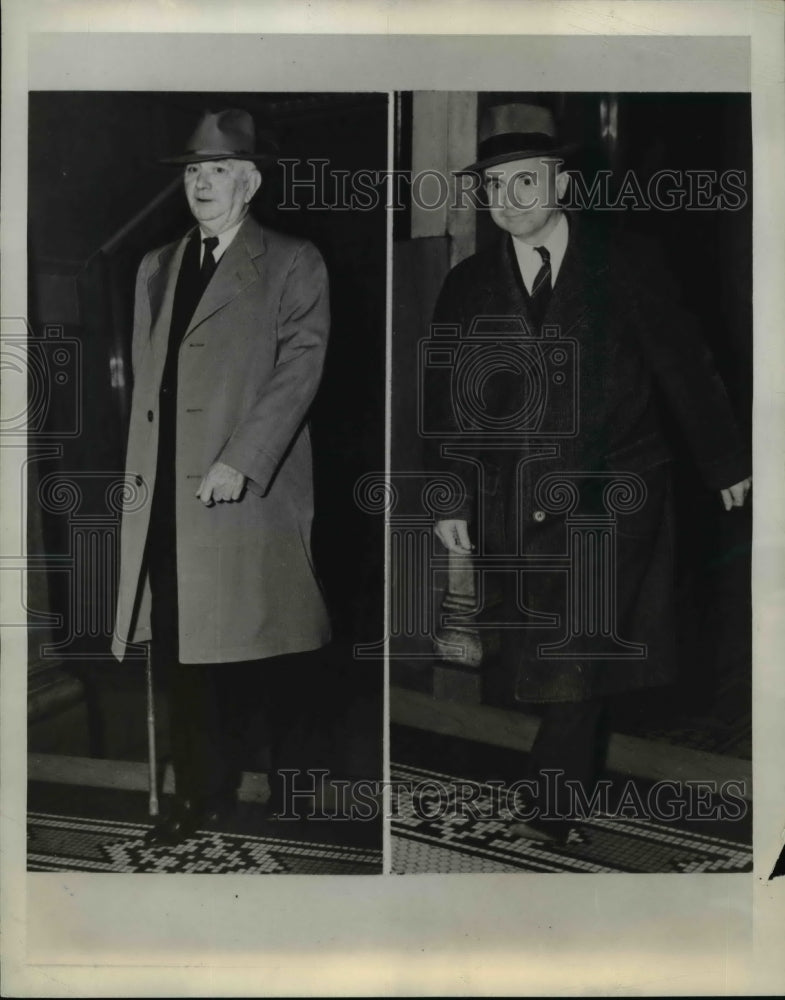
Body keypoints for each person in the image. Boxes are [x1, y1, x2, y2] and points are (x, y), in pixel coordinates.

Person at [426, 103, 751, 842]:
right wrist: (446, 490)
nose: (509, 202)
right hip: (514, 498)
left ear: (559, 182)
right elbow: (442, 401)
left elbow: (684, 364)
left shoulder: (627, 261)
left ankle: (550, 809)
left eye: (525, 183)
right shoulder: (467, 285)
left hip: (616, 492)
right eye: (495, 187)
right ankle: (559, 779)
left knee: (574, 649)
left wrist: (724, 459)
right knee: (551, 654)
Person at [112, 108, 331, 845]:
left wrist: (242, 457)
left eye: (217, 171)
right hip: (168, 499)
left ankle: (284, 784)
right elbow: (150, 387)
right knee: (179, 649)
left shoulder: (292, 261)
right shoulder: (156, 265)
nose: (202, 184)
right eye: (193, 171)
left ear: (250, 180)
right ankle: (193, 794)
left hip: (244, 492)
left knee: (253, 652)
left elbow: (300, 371)